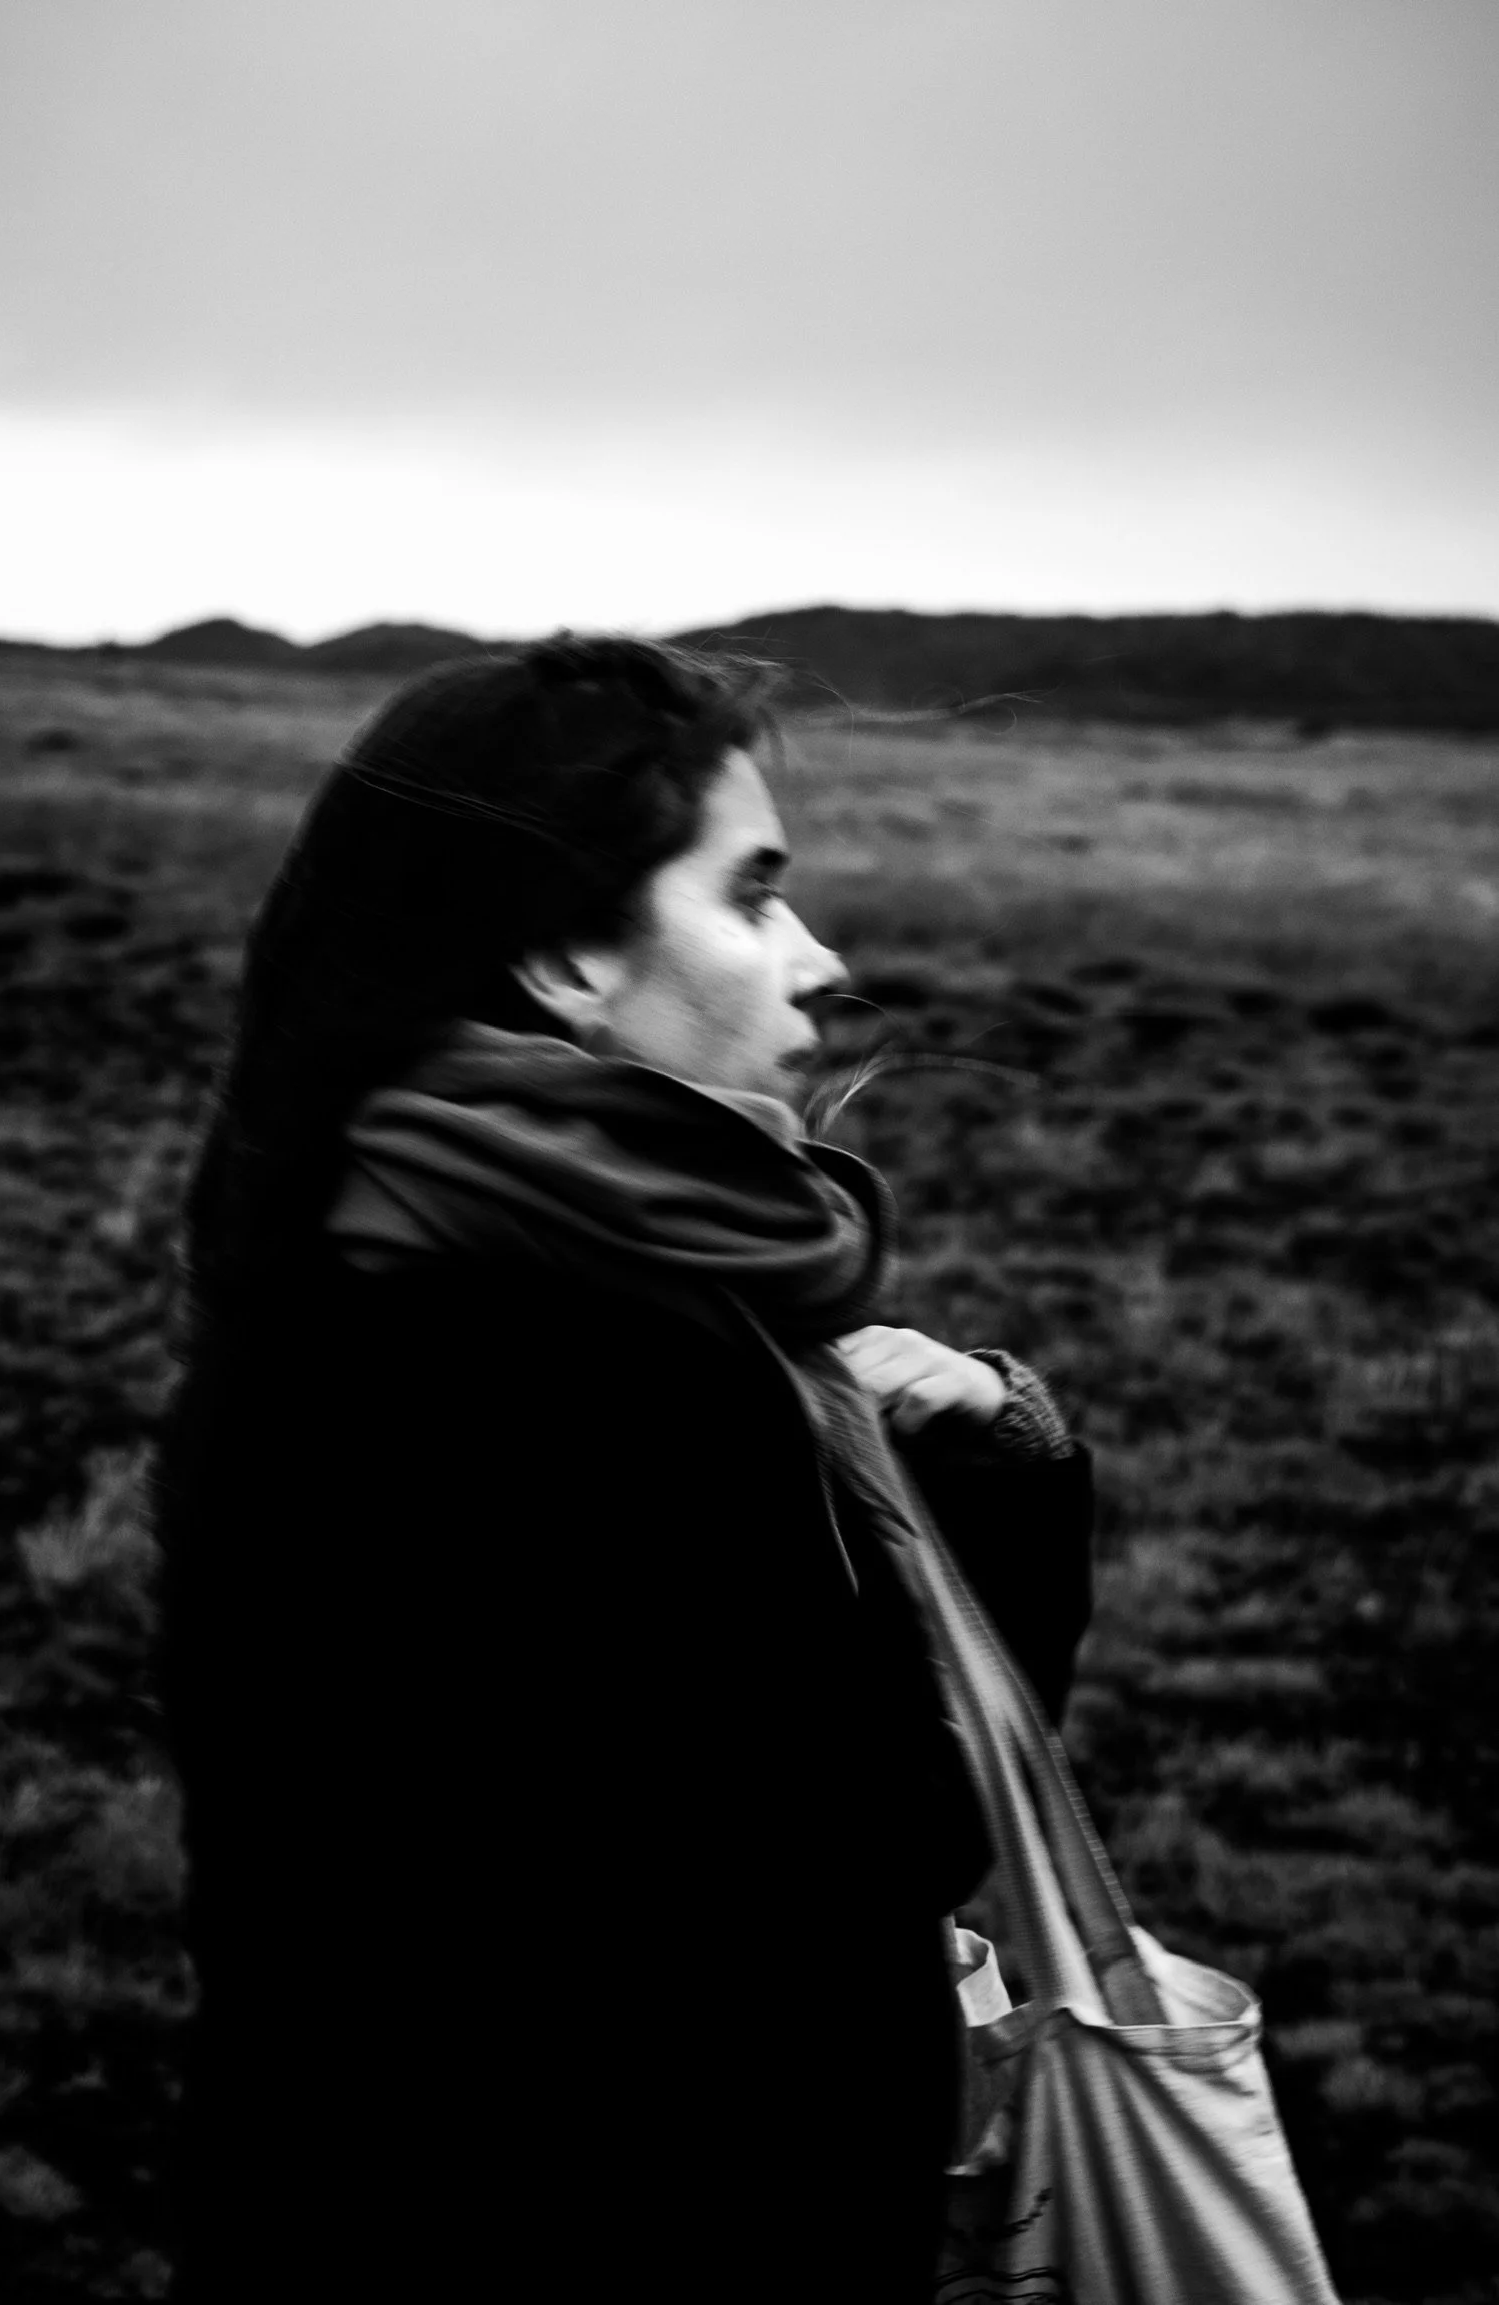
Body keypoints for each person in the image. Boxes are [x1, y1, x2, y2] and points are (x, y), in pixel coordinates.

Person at [154, 634, 1094, 2302]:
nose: (818, 958)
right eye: (752, 895)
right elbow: (858, 1857)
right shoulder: (568, 1357)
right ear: (570, 953)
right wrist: (1007, 1476)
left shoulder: (374, 1256)